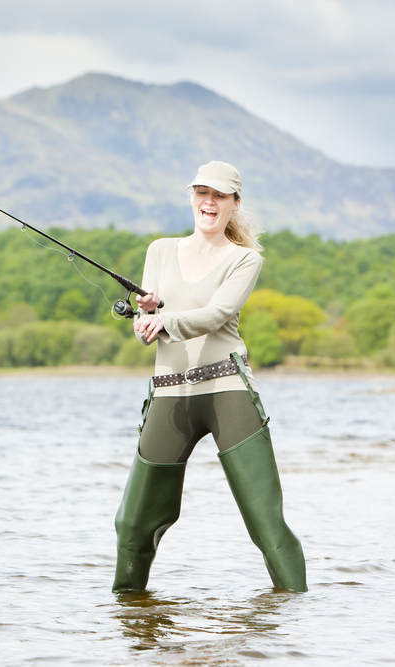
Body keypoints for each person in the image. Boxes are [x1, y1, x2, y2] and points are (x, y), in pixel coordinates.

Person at [112, 160, 307, 593]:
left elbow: (217, 314)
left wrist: (165, 321)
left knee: (266, 523)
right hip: (168, 393)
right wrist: (146, 321)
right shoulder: (159, 251)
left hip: (227, 390)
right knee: (132, 524)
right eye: (202, 192)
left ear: (235, 204)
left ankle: (298, 621)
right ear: (193, 197)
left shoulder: (245, 260)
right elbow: (151, 322)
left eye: (219, 195)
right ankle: (129, 621)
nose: (209, 202)